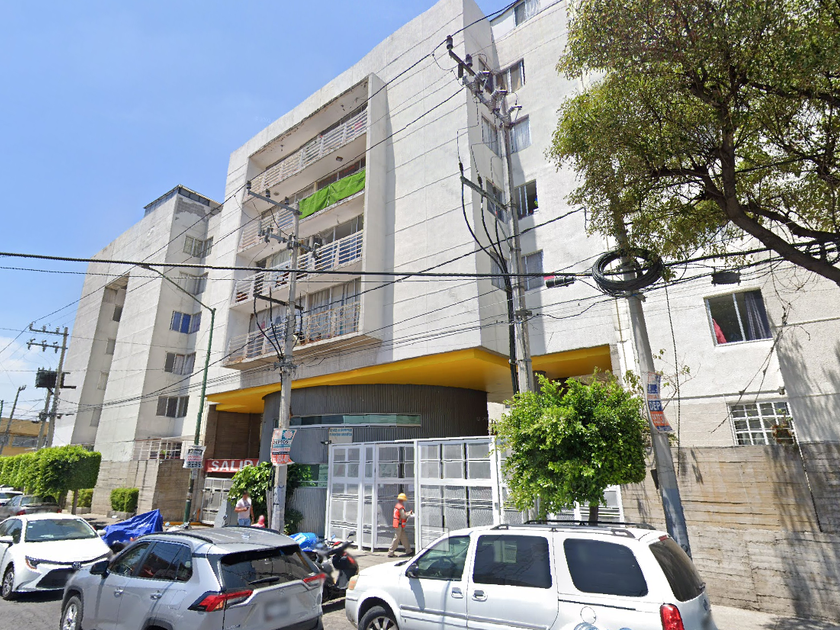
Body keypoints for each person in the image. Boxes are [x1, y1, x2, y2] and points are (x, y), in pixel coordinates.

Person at [388, 492, 413, 557]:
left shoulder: (397, 506)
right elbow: (403, 516)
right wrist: (409, 514)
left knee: (404, 538)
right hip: (399, 525)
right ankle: (391, 552)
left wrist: (407, 513)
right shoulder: (400, 507)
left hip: (398, 524)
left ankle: (409, 550)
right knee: (396, 538)